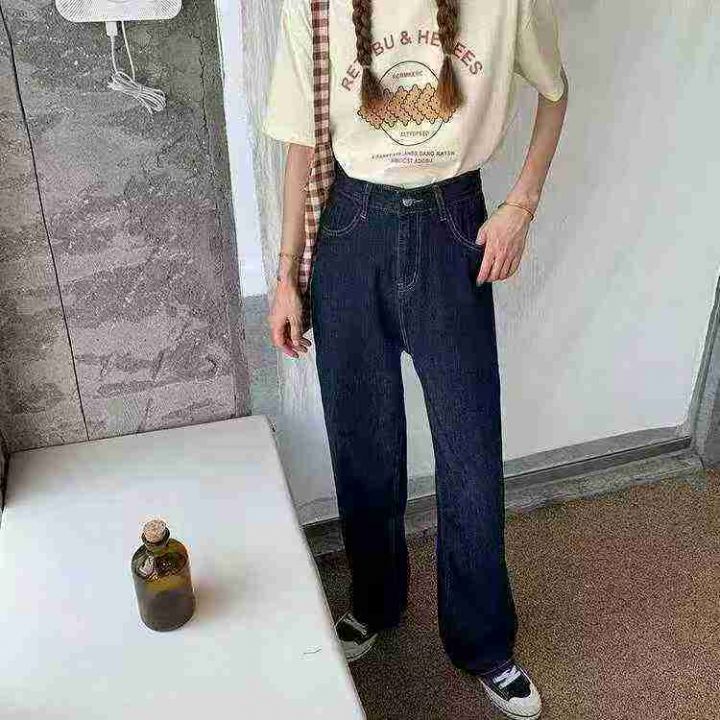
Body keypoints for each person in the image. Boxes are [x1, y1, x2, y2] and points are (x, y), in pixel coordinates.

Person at [263, 0, 568, 717]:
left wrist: (521, 207)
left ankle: (483, 641)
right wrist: (285, 276)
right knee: (362, 444)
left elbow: (556, 93)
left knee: (470, 448)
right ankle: (374, 601)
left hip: (452, 225)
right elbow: (301, 141)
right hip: (351, 229)